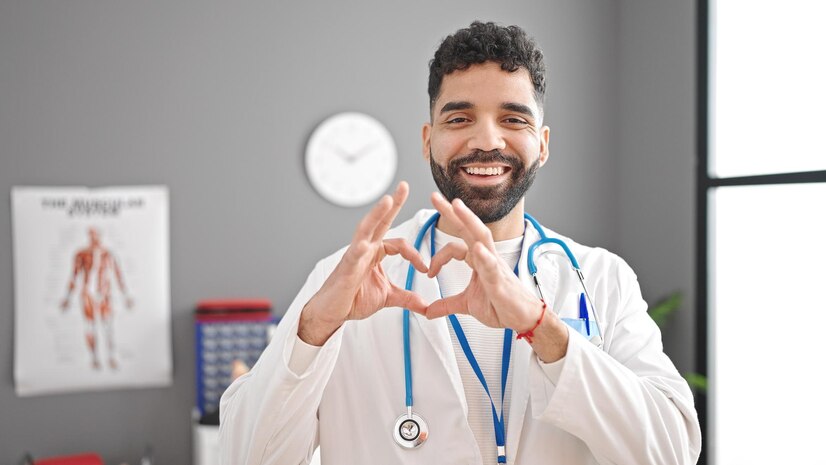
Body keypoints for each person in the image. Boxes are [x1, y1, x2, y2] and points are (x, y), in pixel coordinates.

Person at [219, 21, 701, 464]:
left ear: (544, 143)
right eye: (459, 119)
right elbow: (245, 458)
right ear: (428, 139)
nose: (486, 140)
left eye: (514, 119)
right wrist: (316, 328)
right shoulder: (342, 280)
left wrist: (543, 329)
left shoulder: (599, 278)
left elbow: (671, 452)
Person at [60, 226, 134, 370]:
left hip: (104, 294)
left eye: (97, 236)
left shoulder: (108, 254)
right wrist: (67, 298)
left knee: (108, 327)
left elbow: (118, 275)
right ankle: (94, 358)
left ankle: (111, 357)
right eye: (92, 236)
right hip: (88, 294)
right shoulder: (81, 254)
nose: (95, 239)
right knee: (90, 327)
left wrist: (126, 296)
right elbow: (74, 276)